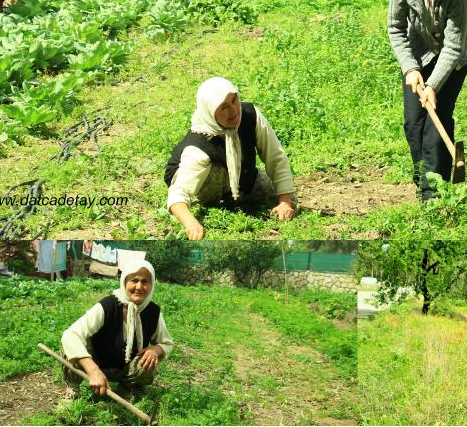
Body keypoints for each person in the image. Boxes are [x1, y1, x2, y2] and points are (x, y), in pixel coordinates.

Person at [387, 0, 467, 201]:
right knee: (414, 123)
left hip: (453, 58)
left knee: (436, 123)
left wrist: (434, 85)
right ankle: (423, 174)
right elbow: (395, 29)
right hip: (418, 54)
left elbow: (453, 45)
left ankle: (432, 192)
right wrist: (411, 69)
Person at [165, 77, 296, 239]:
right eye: (224, 107)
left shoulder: (250, 115)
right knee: (218, 171)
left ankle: (237, 196)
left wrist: (284, 202)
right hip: (202, 182)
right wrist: (191, 223)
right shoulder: (198, 146)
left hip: (239, 174)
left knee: (291, 198)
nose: (234, 111)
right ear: (211, 113)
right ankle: (227, 201)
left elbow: (275, 156)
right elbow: (178, 193)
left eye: (235, 101)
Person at [60, 259, 173, 400]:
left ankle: (128, 387)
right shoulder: (108, 306)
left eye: (145, 281)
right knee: (73, 342)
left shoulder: (153, 312)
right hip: (98, 363)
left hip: (126, 370)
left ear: (151, 285)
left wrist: (156, 350)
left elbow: (167, 343)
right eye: (134, 280)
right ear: (125, 282)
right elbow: (70, 335)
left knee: (149, 357)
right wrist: (93, 370)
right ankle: (72, 389)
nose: (139, 286)